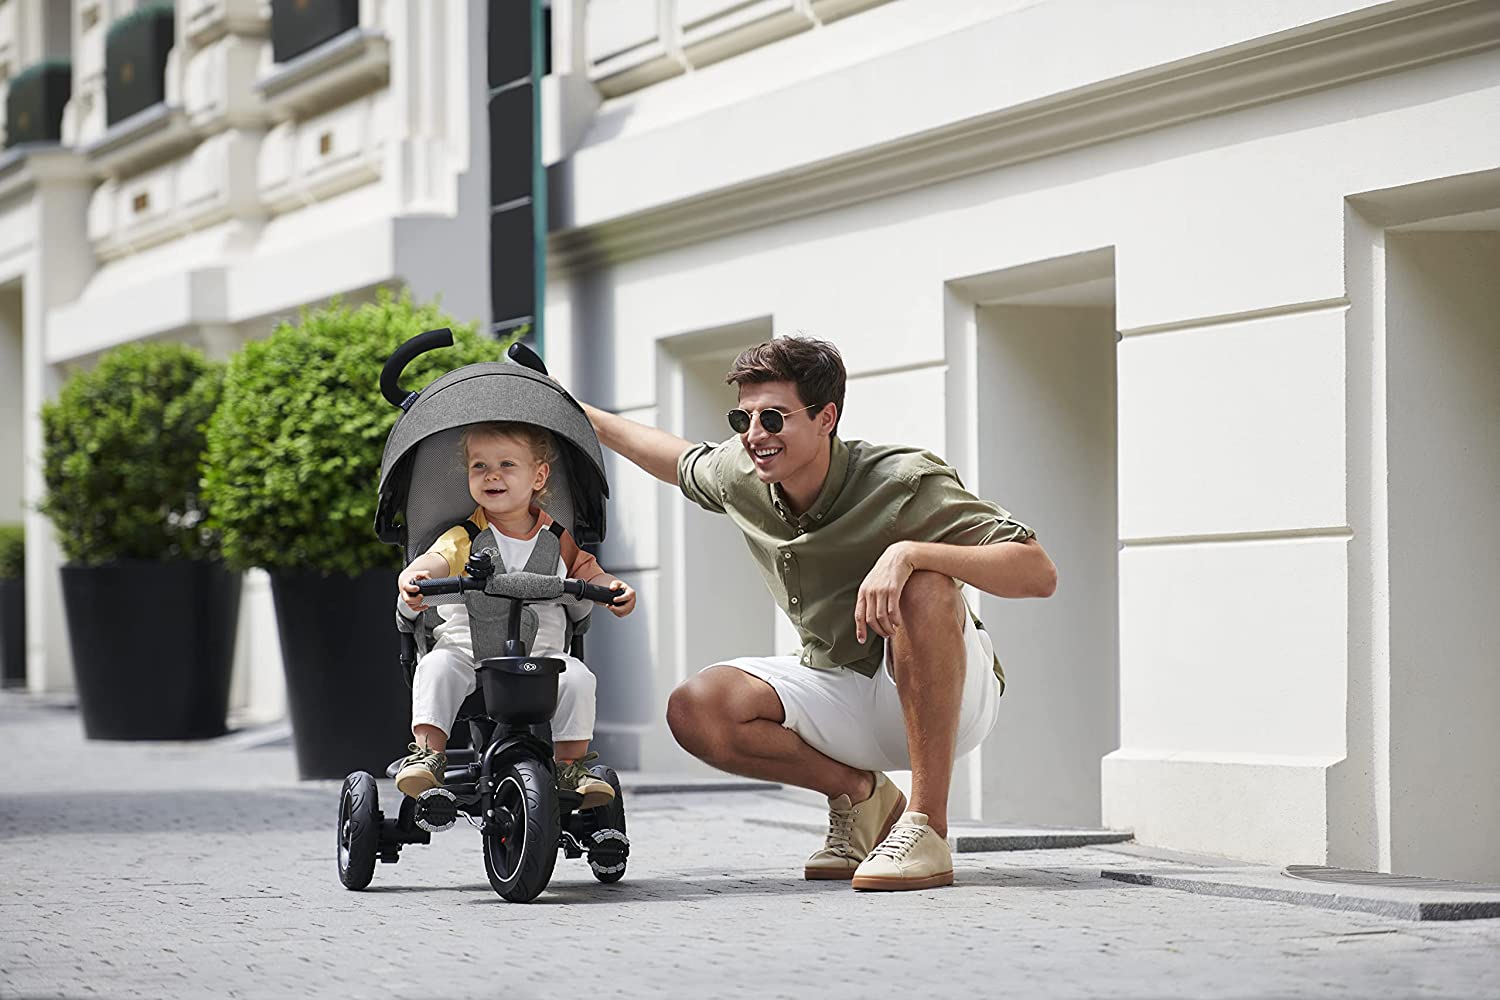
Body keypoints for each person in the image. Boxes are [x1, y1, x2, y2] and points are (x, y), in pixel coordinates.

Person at [581, 336, 1055, 891]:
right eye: (744, 418)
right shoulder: (743, 475)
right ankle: (863, 797)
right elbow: (675, 457)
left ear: (826, 417)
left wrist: (909, 553)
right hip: (837, 681)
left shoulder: (900, 481)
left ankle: (926, 827)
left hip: (947, 695)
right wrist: (578, 412)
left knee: (925, 585)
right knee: (697, 708)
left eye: (774, 418)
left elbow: (1037, 572)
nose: (755, 435)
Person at [392, 420, 637, 809]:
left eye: (507, 464)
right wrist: (418, 575)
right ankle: (428, 756)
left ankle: (570, 765)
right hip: (468, 657)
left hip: (540, 660)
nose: (492, 475)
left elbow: (587, 572)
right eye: (479, 466)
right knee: (437, 666)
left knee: (576, 677)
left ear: (538, 476)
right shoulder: (463, 538)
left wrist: (612, 590)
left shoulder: (557, 539)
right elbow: (436, 561)